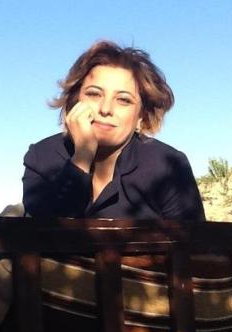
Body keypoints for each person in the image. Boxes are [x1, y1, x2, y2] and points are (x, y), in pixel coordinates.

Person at [22, 40, 205, 221]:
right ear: (74, 101)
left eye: (123, 100)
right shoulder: (41, 157)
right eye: (94, 94)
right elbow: (48, 232)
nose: (105, 109)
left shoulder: (167, 166)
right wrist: (82, 157)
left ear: (141, 116)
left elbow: (193, 238)